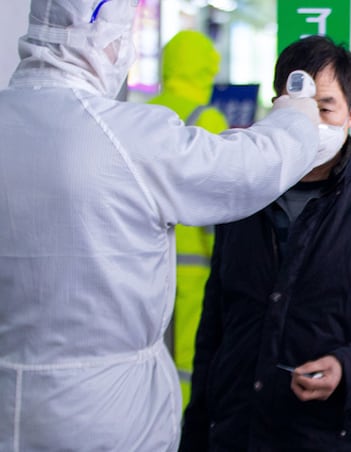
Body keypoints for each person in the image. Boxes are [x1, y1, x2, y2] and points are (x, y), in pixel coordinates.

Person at [0, 0, 325, 450]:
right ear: (103, 41)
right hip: (103, 408)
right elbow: (244, 168)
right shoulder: (123, 135)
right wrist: (298, 117)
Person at [179, 35, 351, 451]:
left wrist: (348, 368)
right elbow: (216, 325)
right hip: (239, 432)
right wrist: (195, 432)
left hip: (333, 435)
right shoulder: (242, 200)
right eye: (294, 107)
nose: (307, 123)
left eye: (323, 108)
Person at [147, 29, 229, 409]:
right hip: (193, 268)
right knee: (188, 357)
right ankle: (180, 430)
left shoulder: (142, 115)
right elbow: (220, 203)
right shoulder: (206, 119)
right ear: (204, 71)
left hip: (143, 262)